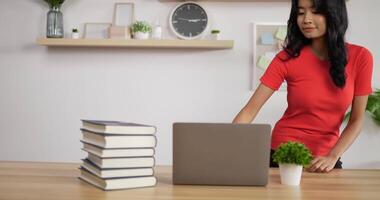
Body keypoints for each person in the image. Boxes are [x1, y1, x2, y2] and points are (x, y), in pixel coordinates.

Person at [233, 0, 373, 173]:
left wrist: (333, 156)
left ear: (334, 14)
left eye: (315, 11)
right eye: (300, 12)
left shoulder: (360, 57)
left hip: (326, 159)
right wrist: (229, 149)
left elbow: (356, 120)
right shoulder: (286, 58)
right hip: (282, 154)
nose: (306, 19)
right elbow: (250, 110)